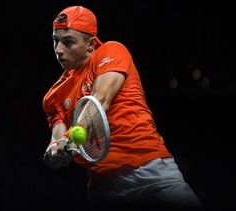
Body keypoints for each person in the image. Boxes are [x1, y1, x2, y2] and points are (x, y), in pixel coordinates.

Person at [42, 5, 203, 210]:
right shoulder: (53, 96)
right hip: (104, 188)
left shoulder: (112, 52)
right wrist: (55, 151)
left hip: (149, 172)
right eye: (55, 40)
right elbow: (57, 136)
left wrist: (69, 139)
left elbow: (100, 101)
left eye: (68, 42)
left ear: (90, 45)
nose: (58, 50)